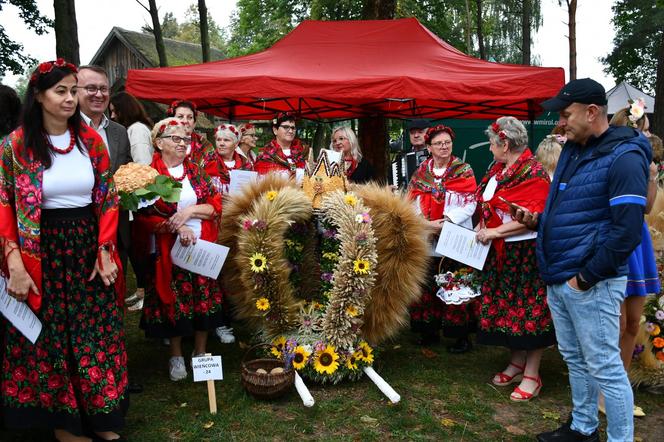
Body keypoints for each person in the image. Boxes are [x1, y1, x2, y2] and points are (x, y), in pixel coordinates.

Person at [514, 79, 650, 442]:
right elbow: (573, 212)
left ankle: (619, 438)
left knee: (606, 368)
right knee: (576, 359)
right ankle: (583, 428)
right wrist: (538, 221)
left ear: (592, 112)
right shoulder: (575, 149)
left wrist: (585, 278)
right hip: (561, 277)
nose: (561, 122)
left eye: (565, 114)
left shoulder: (626, 156)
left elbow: (626, 232)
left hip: (592, 282)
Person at [0, 59, 127, 442]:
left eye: (74, 90)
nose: (71, 98)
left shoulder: (90, 141)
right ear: (38, 96)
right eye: (62, 91)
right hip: (42, 251)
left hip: (87, 249)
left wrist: (105, 249)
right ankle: (64, 423)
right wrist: (15, 264)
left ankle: (101, 415)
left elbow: (107, 196)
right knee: (52, 337)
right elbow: (3, 207)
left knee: (96, 333)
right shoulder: (15, 147)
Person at [136, 118, 224, 382]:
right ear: (159, 142)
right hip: (169, 251)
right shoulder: (149, 175)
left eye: (186, 139)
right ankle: (175, 355)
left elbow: (215, 205)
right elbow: (143, 217)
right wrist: (175, 228)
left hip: (201, 247)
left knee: (203, 299)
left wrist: (190, 212)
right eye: (176, 138)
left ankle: (200, 352)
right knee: (174, 302)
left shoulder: (195, 171)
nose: (183, 143)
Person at [474, 116, 555, 402]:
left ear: (504, 143)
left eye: (493, 144)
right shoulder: (498, 169)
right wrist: (483, 225)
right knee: (508, 308)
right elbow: (486, 203)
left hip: (525, 253)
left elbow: (535, 216)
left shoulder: (534, 172)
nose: (490, 149)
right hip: (501, 252)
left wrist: (495, 230)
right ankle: (517, 362)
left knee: (530, 310)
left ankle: (533, 374)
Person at [600, 99, 661, 418]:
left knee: (633, 322)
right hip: (615, 240)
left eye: (648, 132)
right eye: (644, 131)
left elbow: (648, 208)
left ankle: (620, 386)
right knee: (617, 321)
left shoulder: (644, 162)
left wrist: (651, 175)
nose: (648, 137)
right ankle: (604, 392)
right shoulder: (612, 158)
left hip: (638, 242)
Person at [407, 125, 477, 350]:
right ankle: (429, 331)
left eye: (447, 142)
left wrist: (447, 220)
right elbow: (412, 201)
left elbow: (470, 202)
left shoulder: (463, 169)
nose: (444, 146)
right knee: (427, 283)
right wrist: (427, 223)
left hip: (454, 236)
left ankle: (460, 335)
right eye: (438, 143)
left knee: (456, 283)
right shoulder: (421, 172)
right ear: (429, 147)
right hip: (428, 236)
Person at [253, 112, 306, 176]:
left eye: (293, 128)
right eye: (286, 127)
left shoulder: (303, 152)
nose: (291, 131)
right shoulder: (265, 154)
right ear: (275, 130)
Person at [166, 99, 214, 167]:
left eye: (190, 117)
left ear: (194, 123)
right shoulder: (163, 143)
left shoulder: (204, 146)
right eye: (180, 117)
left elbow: (213, 174)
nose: (185, 121)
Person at [109, 91, 153, 165]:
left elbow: (143, 163)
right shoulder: (135, 128)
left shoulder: (137, 130)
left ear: (125, 110)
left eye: (114, 111)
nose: (112, 116)